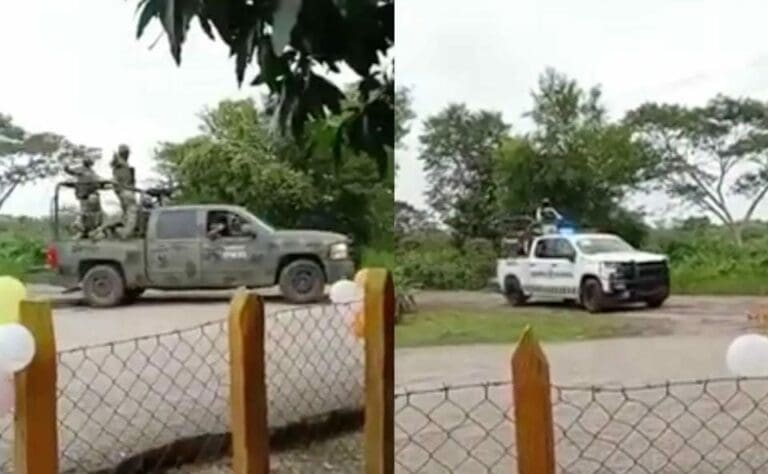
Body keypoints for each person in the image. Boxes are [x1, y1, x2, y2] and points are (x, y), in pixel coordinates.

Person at [63, 157, 102, 239]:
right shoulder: (81, 169)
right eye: (89, 161)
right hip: (83, 194)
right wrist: (66, 166)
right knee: (84, 211)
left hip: (90, 194)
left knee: (92, 213)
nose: (90, 163)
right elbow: (70, 171)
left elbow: (97, 179)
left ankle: (87, 230)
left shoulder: (91, 171)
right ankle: (79, 226)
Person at [111, 144, 137, 239]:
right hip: (127, 191)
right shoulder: (122, 165)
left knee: (126, 213)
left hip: (122, 192)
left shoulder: (117, 165)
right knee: (132, 213)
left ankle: (119, 229)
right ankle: (125, 233)